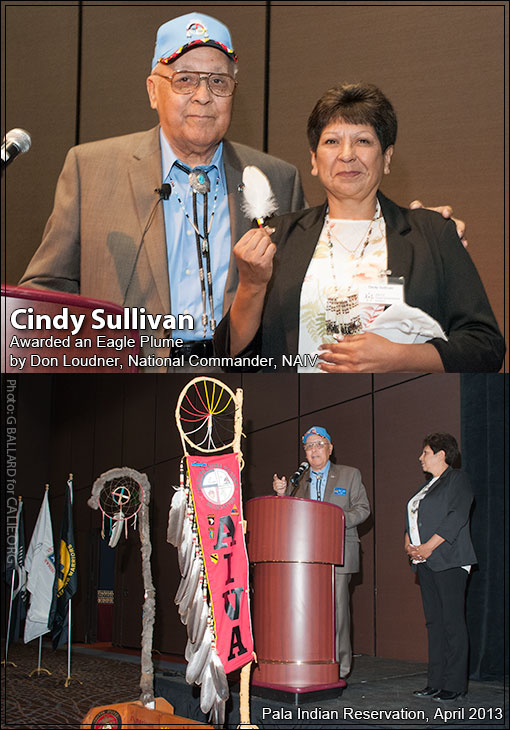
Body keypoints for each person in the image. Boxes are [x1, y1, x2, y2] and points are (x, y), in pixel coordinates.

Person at [19, 16, 465, 371]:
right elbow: (41, 296)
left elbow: (313, 280)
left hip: (240, 376)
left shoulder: (275, 177)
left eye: (219, 82)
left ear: (234, 91)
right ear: (153, 90)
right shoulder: (91, 169)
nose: (203, 96)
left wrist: (419, 239)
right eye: (185, 80)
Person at [215, 82, 505, 373]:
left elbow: (485, 347)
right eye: (331, 142)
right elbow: (233, 359)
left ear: (387, 158)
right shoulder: (278, 239)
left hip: (402, 411)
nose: (347, 154)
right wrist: (252, 286)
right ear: (314, 160)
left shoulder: (432, 233)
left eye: (363, 141)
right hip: (295, 412)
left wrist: (399, 357)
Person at [273, 426, 370, 681]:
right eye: (309, 446)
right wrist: (283, 495)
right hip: (305, 558)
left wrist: (334, 518)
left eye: (319, 444)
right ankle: (312, 663)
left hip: (338, 553)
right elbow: (289, 515)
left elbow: (363, 510)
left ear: (330, 448)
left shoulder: (349, 475)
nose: (314, 450)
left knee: (337, 613)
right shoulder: (300, 481)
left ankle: (340, 668)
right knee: (307, 612)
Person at [405, 433, 477, 701]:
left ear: (441, 454)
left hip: (450, 560)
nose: (420, 457)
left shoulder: (457, 479)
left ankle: (455, 684)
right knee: (434, 623)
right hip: (425, 562)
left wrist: (428, 547)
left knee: (452, 623)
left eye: (424, 452)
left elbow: (456, 517)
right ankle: (435, 681)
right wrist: (409, 546)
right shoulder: (425, 488)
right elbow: (410, 523)